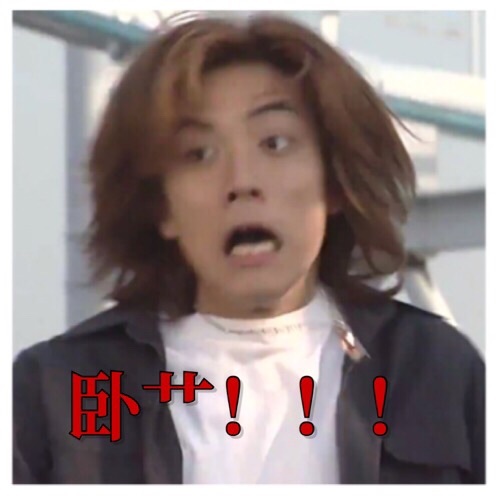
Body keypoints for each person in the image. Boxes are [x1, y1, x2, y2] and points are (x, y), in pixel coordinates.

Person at [13, 14, 485, 484]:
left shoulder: (434, 371)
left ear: (334, 183)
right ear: (161, 207)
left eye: (275, 143)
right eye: (199, 154)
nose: (242, 181)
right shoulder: (56, 392)